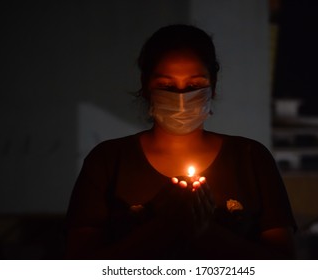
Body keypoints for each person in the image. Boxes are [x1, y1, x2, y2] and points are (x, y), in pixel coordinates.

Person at [65, 24, 297, 260]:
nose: (181, 98)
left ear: (213, 87)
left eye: (194, 85)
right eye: (166, 86)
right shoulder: (108, 160)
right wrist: (163, 225)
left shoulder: (250, 158)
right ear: (146, 88)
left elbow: (284, 263)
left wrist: (206, 232)